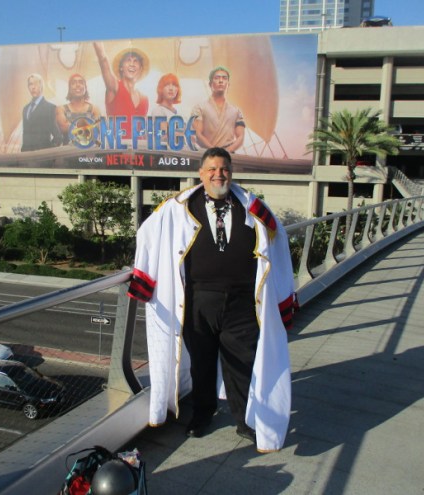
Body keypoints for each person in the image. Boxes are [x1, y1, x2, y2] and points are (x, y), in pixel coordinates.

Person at [127, 147, 297, 453]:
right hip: (198, 300)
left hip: (242, 301)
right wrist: (144, 279)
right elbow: (147, 234)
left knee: (242, 362)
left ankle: (245, 420)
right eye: (212, 170)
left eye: (225, 169)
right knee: (201, 362)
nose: (219, 175)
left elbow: (279, 242)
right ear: (201, 174)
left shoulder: (254, 207)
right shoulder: (177, 208)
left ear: (231, 173)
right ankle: (202, 414)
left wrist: (284, 296)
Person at [93, 42, 149, 139]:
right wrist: (98, 44)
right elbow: (103, 60)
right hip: (116, 146)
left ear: (140, 69)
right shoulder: (114, 87)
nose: (132, 64)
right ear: (121, 67)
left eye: (136, 61)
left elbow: (142, 131)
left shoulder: (144, 99)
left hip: (138, 147)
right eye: (128, 60)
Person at [191, 66, 246, 153]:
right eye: (217, 78)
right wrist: (214, 151)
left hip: (228, 155)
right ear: (210, 84)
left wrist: (227, 151)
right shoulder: (199, 108)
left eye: (224, 78)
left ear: (228, 84)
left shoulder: (236, 111)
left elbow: (241, 137)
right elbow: (197, 134)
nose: (221, 81)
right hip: (207, 154)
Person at [21, 73, 63, 152]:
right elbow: (25, 134)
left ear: (41, 85)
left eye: (36, 84)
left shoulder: (50, 108)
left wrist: (47, 153)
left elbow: (58, 137)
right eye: (30, 84)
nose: (33, 87)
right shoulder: (25, 109)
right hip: (26, 155)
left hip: (42, 156)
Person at [56, 73, 101, 145]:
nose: (78, 85)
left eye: (81, 82)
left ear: (85, 87)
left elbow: (98, 128)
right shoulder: (61, 109)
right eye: (73, 83)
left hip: (89, 149)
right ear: (69, 89)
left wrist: (71, 125)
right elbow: (63, 128)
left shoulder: (94, 109)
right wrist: (89, 125)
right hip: (68, 150)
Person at [150, 73, 182, 144]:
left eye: (174, 85)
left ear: (177, 90)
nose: (171, 88)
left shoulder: (178, 113)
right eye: (167, 85)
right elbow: (164, 136)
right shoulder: (158, 111)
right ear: (161, 89)